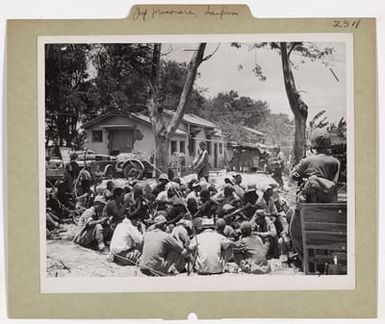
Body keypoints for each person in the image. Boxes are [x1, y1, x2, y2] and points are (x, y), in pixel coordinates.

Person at [292, 129, 340, 203]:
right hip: (329, 203)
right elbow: (334, 183)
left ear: (313, 143)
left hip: (311, 203)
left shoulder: (306, 161)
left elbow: (293, 176)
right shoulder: (336, 162)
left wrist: (304, 179)